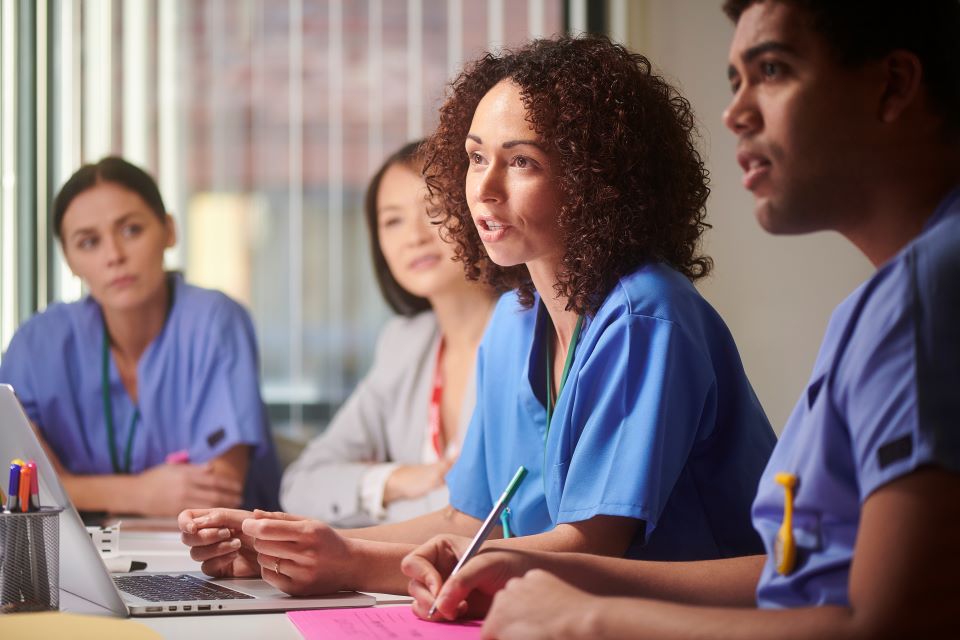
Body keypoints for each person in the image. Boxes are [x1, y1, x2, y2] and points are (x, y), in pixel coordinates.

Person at [400, 2, 960, 637]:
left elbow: (889, 620)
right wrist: (521, 568)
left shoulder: (931, 296)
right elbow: (794, 575)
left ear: (892, 85)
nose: (736, 114)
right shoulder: (879, 305)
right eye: (735, 81)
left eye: (772, 70)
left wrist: (592, 618)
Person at [177, 35, 774, 597]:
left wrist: (352, 564)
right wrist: (289, 552)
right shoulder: (515, 322)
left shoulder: (646, 315)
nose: (482, 189)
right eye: (474, 157)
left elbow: (594, 546)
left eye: (521, 162)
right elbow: (467, 518)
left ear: (596, 180)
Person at [0, 156, 281, 516]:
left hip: (219, 558)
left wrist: (70, 486)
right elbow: (17, 483)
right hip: (83, 559)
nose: (114, 255)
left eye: (131, 230)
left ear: (168, 231)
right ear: (69, 259)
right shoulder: (37, 344)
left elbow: (216, 496)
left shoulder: (216, 321)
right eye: (88, 242)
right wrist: (140, 494)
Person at [280, 141, 498, 525]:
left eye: (436, 211)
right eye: (392, 220)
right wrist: (395, 480)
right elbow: (301, 485)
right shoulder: (405, 342)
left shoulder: (528, 331)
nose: (413, 236)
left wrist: (383, 512)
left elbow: (490, 517)